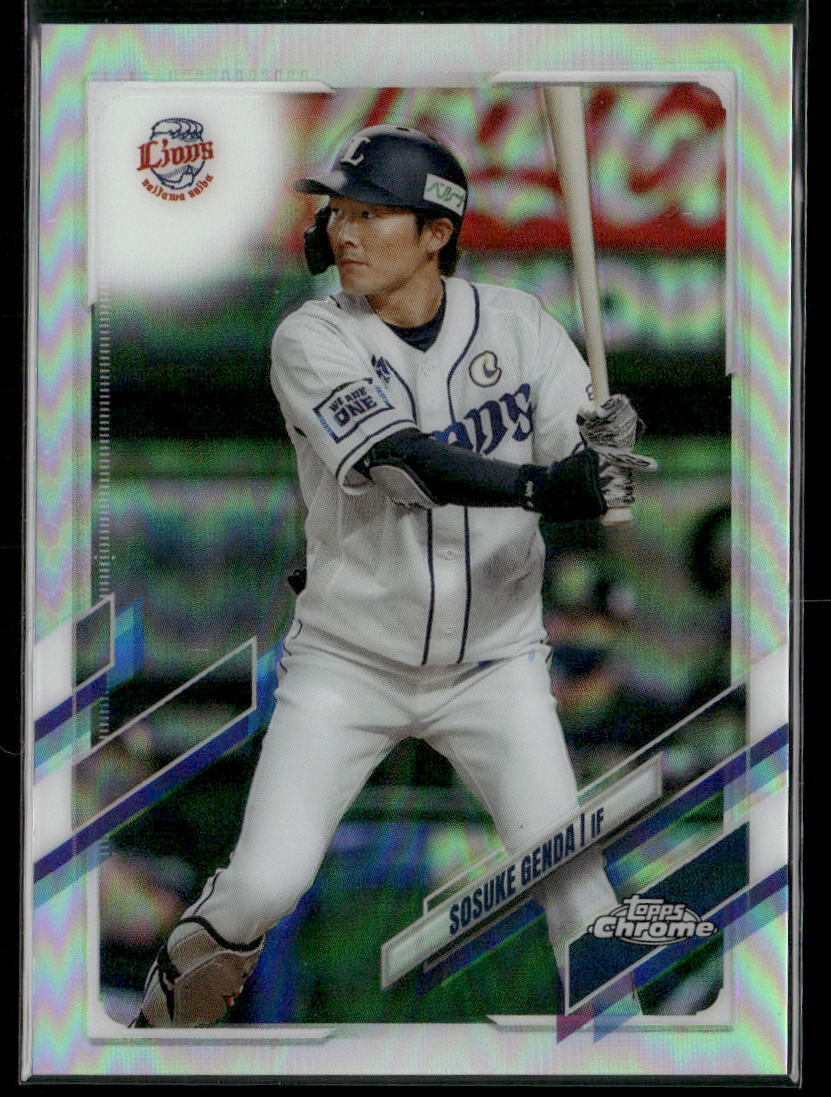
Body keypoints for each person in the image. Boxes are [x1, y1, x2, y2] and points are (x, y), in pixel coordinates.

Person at [131, 124, 655, 1027]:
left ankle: (637, 1059)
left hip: (495, 668)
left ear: (435, 232)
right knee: (262, 885)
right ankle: (158, 1025)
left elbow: (582, 453)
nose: (344, 231)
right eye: (338, 212)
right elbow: (402, 463)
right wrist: (543, 486)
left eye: (371, 214)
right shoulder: (310, 336)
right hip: (348, 666)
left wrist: (608, 448)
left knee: (577, 885)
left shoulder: (521, 327)